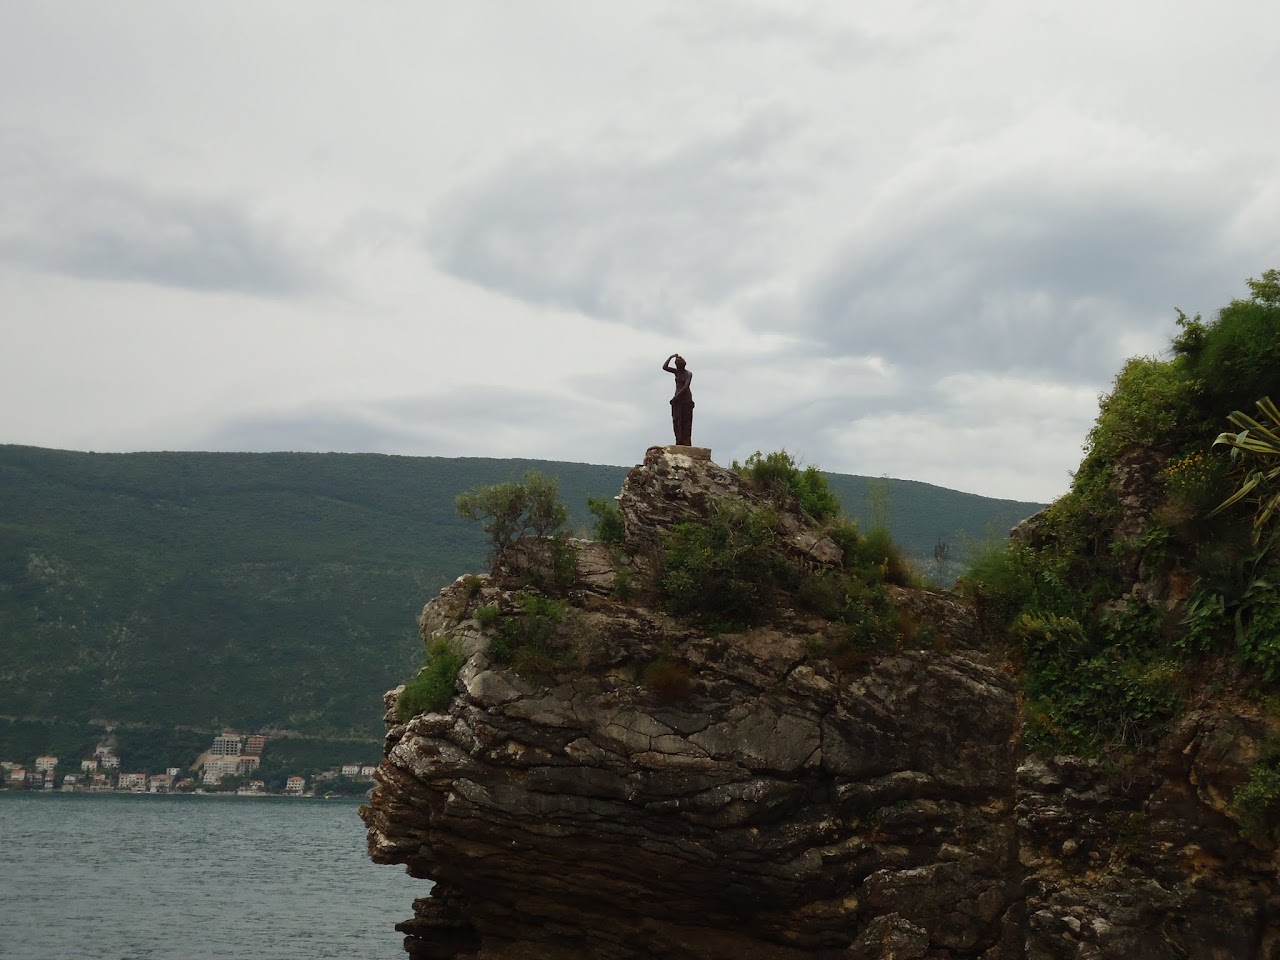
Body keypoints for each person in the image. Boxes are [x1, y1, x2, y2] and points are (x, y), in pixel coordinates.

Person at [662, 353, 694, 446]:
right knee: (677, 420)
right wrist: (671, 357)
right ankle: (679, 440)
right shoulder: (676, 372)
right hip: (677, 400)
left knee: (686, 420)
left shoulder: (688, 373)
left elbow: (686, 387)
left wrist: (675, 398)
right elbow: (664, 367)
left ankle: (687, 441)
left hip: (686, 398)